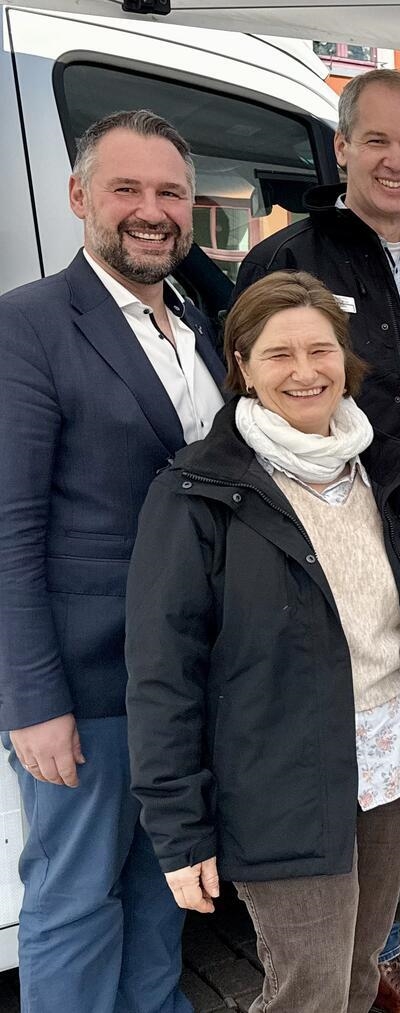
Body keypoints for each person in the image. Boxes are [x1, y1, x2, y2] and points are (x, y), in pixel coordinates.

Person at [124, 270, 400, 1013]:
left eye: (320, 349)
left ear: (344, 360)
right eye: (277, 353)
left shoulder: (387, 474)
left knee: (359, 971)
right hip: (281, 781)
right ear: (243, 367)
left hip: (392, 770)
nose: (304, 370)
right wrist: (180, 831)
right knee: (308, 989)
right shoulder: (197, 494)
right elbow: (163, 674)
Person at [232, 68, 400, 1011]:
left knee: (399, 749)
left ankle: (373, 953)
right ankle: (342, 964)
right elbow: (249, 406)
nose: (395, 160)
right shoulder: (293, 257)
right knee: (333, 744)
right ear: (341, 149)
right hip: (325, 547)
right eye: (375, 141)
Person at [0, 109, 221, 1013]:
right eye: (127, 188)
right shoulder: (32, 323)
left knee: (161, 880)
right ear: (80, 196)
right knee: (76, 895)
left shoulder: (198, 325)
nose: (151, 209)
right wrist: (36, 701)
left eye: (170, 192)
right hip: (87, 684)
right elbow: (9, 531)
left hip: (180, 674)